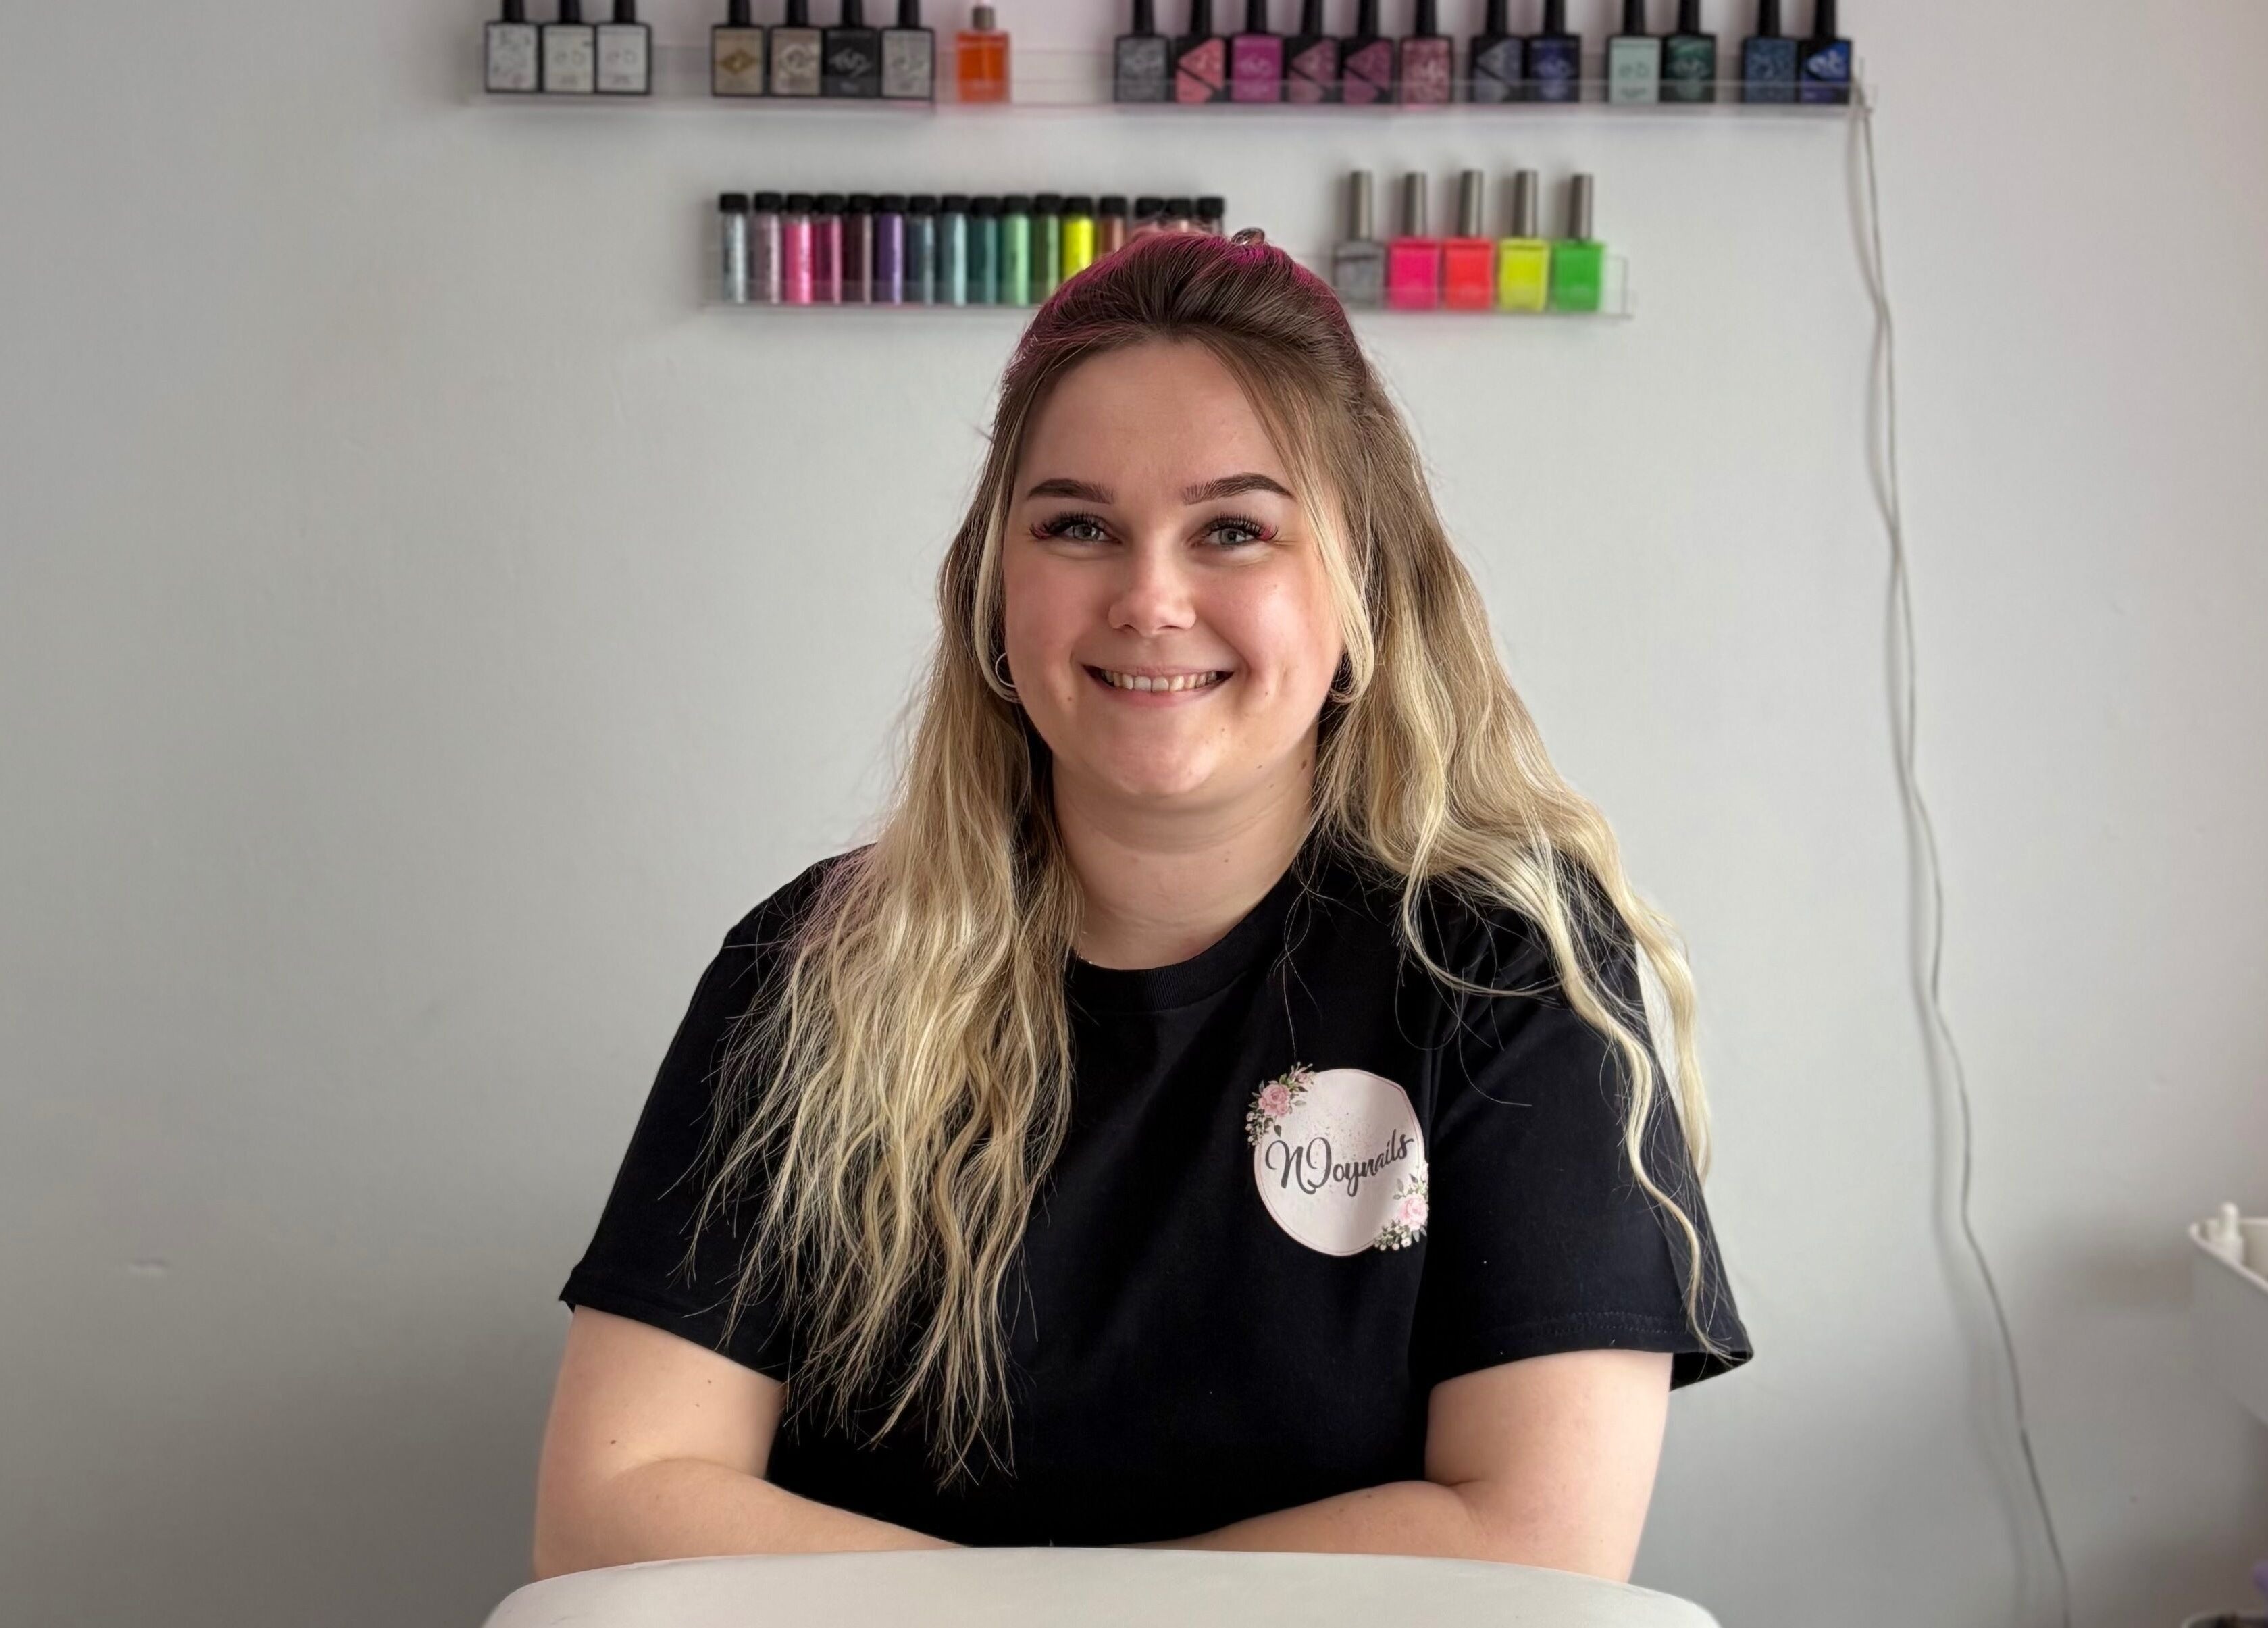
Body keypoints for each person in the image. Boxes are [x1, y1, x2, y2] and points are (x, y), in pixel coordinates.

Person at [531, 228, 1751, 1583]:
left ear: (1359, 590)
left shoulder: (1503, 971)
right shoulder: (807, 968)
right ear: (997, 593)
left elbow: (1533, 1541)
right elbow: (616, 1505)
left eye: (1232, 528)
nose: (1149, 597)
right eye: (1076, 527)